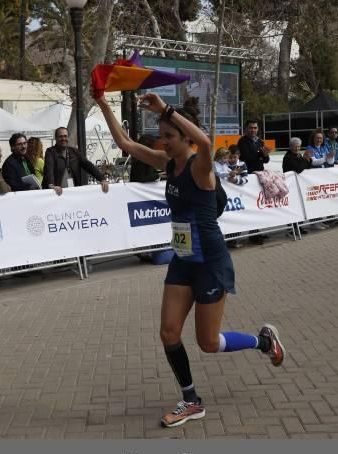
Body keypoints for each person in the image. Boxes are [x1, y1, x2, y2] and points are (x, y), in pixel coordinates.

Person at [93, 90, 285, 428]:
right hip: (183, 261)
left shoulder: (200, 165)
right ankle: (191, 400)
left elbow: (207, 143)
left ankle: (263, 341)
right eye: (161, 136)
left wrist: (165, 108)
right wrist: (103, 103)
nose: (162, 142)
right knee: (168, 332)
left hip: (210, 263)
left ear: (185, 137)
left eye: (168, 136)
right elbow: (125, 144)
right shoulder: (168, 164)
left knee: (208, 343)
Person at [42, 127, 109, 195]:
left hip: (73, 192)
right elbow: (49, 168)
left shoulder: (74, 151)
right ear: (56, 138)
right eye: (60, 136)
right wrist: (51, 184)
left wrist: (102, 179)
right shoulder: (50, 152)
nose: (63, 139)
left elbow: (88, 165)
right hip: (57, 193)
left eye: (65, 136)